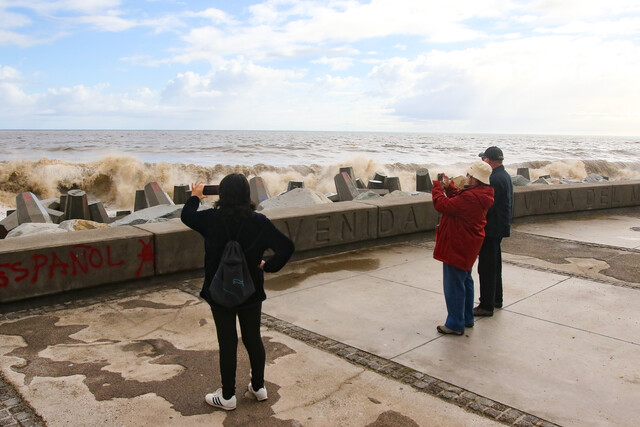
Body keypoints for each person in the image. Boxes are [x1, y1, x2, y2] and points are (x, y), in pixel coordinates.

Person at [181, 173, 294, 411]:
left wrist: (195, 196)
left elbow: (187, 216)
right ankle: (258, 387)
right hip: (250, 291)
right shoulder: (259, 221)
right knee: (253, 338)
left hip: (219, 292)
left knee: (228, 341)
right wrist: (267, 265)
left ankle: (228, 395)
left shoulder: (211, 219)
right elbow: (286, 247)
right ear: (246, 194)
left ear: (221, 194)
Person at [432, 161, 494, 335]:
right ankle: (466, 317)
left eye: (469, 175)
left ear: (474, 179)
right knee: (465, 280)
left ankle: (454, 323)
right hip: (468, 244)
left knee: (454, 285)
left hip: (457, 244)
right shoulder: (481, 194)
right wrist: (449, 188)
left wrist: (437, 187)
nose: (466, 176)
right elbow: (459, 203)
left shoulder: (471, 197)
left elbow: (442, 205)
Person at [474, 146, 514, 317]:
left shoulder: (494, 179)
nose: (483, 161)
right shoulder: (504, 176)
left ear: (488, 161)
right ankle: (497, 298)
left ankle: (486, 305)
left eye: (484, 159)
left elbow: (488, 205)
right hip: (499, 227)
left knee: (487, 267)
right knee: (495, 265)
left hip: (491, 229)